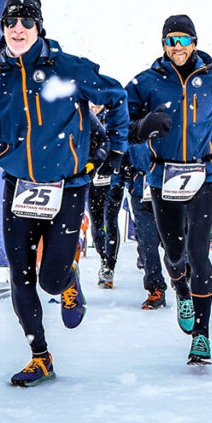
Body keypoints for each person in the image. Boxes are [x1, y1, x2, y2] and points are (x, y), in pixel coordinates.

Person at [0, 0, 128, 386]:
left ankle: (68, 278)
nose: (18, 29)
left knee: (50, 278)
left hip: (68, 185)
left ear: (39, 27)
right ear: (3, 29)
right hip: (19, 187)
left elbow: (117, 97)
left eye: (27, 22)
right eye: (11, 22)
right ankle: (40, 355)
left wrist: (116, 148)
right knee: (21, 276)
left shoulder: (68, 68)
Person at [125, 14, 212, 365]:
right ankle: (180, 289)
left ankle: (202, 336)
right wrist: (143, 133)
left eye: (183, 39)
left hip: (204, 174)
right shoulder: (146, 82)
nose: (177, 47)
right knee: (174, 253)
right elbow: (125, 126)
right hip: (164, 176)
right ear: (163, 44)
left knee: (198, 251)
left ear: (194, 41)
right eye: (171, 40)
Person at [116, 142, 170, 309]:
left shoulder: (170, 119)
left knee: (175, 241)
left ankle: (183, 277)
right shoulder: (133, 122)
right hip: (140, 190)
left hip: (169, 188)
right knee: (147, 241)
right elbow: (121, 153)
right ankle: (156, 288)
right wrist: (121, 179)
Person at [87, 103, 124, 288]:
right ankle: (103, 258)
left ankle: (110, 266)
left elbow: (124, 144)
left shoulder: (114, 118)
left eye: (98, 103)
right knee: (96, 223)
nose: (94, 107)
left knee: (111, 220)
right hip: (92, 178)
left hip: (113, 179)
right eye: (91, 103)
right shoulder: (82, 117)